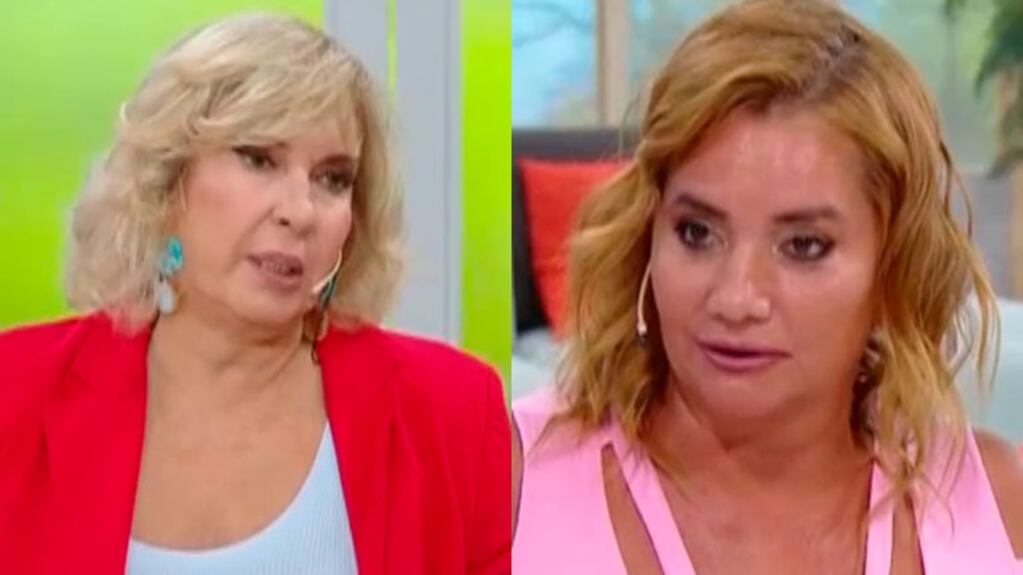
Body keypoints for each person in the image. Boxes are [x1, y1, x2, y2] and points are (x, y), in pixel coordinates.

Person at [511, 1, 1022, 573]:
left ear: (892, 267)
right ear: (645, 235)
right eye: (696, 232)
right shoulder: (508, 483)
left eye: (803, 246)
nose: (736, 299)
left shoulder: (998, 508)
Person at [0, 13, 510, 575]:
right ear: (167, 183)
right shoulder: (14, 393)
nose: (300, 211)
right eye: (259, 159)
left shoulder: (455, 415)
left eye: (333, 178)